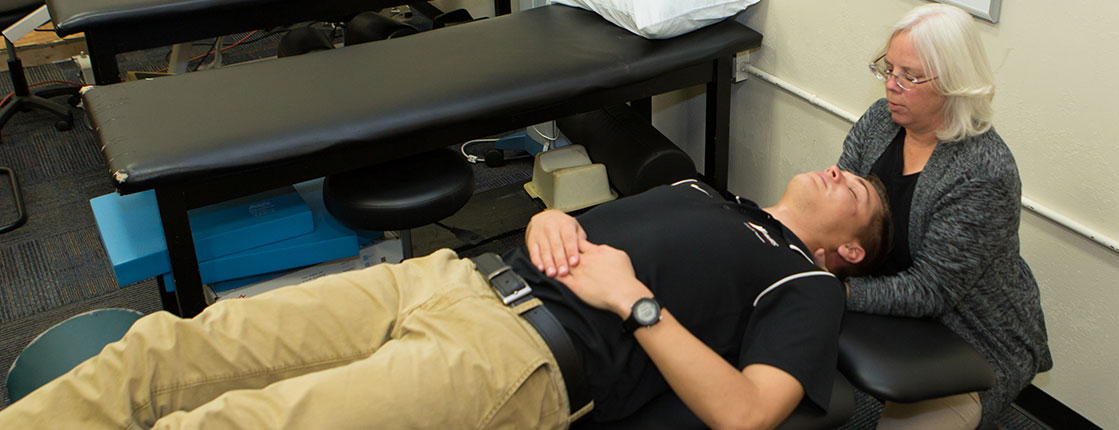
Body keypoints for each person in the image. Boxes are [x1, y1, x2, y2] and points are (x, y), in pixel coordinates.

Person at [0, 166, 891, 429]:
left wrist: (635, 304)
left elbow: (745, 414)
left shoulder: (808, 283)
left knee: (248, 424)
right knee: (180, 347)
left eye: (859, 190)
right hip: (450, 279)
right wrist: (548, 220)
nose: (841, 170)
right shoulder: (702, 192)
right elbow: (568, 221)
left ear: (848, 248)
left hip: (519, 358)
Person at [836, 4, 1053, 428]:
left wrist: (838, 295)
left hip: (968, 336)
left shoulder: (983, 170)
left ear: (955, 84)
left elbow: (931, 292)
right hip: (883, 302)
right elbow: (838, 207)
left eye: (910, 76)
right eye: (888, 69)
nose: (892, 87)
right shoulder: (880, 121)